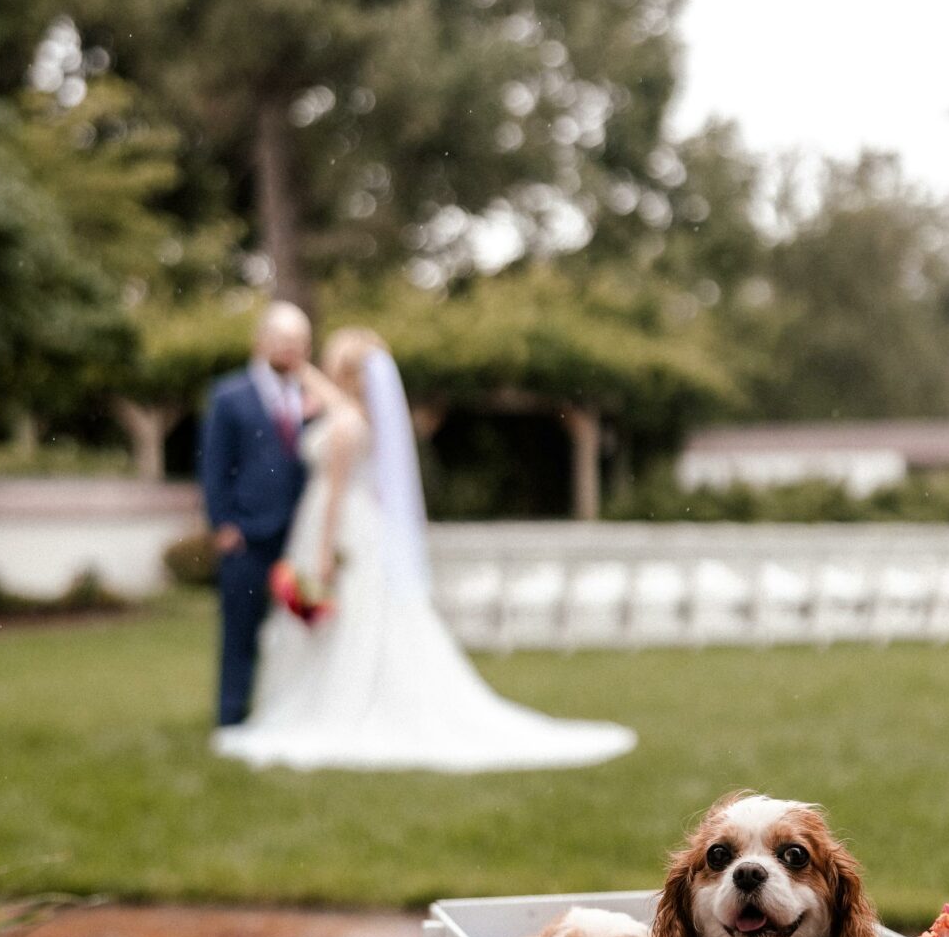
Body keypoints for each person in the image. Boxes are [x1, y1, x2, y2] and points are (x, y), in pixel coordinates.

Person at [212, 328, 636, 772]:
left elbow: (334, 495)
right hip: (364, 528)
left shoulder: (343, 425)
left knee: (348, 621)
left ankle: (338, 703)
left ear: (345, 373)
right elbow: (336, 406)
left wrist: (322, 552)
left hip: (337, 529)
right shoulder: (362, 418)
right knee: (360, 618)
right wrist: (304, 371)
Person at [199, 303, 356, 726]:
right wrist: (223, 524)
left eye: (300, 343)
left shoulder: (312, 399)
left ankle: (289, 713)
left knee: (300, 630)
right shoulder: (230, 396)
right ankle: (231, 717)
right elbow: (213, 466)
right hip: (248, 536)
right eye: (283, 341)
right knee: (241, 631)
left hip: (299, 536)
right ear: (261, 341)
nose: (290, 350)